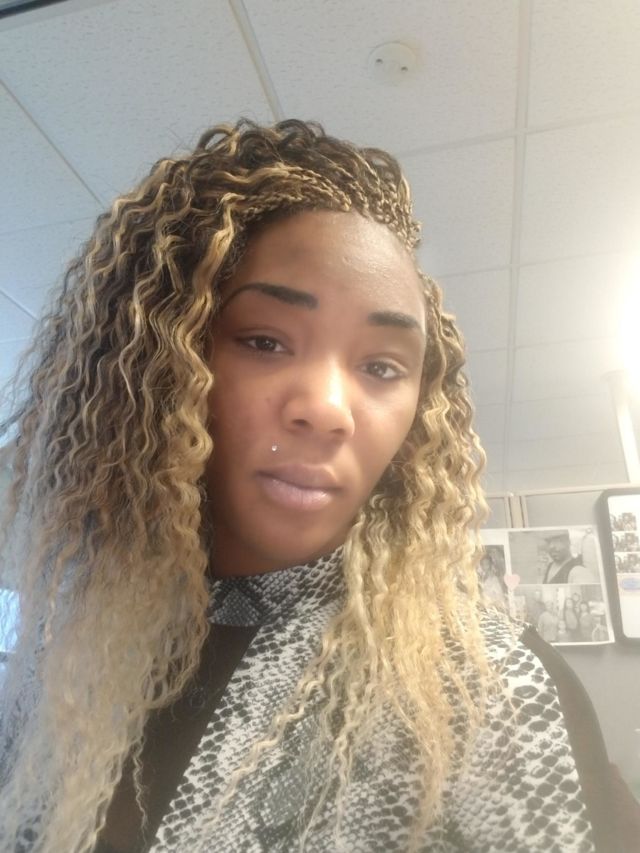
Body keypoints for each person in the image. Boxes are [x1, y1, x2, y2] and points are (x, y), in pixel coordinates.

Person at [0, 119, 636, 853]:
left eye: (382, 366)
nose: (330, 409)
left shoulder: (489, 692)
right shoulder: (67, 661)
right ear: (160, 369)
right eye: (264, 341)